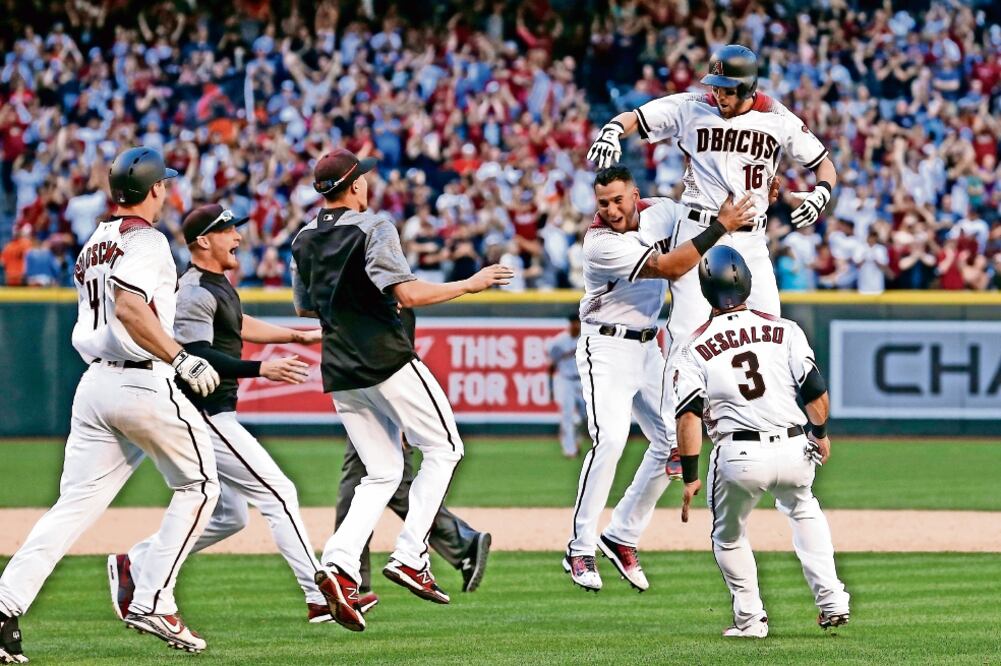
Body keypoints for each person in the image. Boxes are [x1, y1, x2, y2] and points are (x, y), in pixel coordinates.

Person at [0, 147, 223, 662]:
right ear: (153, 190)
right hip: (142, 381)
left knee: (72, 506)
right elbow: (129, 306)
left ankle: (4, 606)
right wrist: (180, 356)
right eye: (162, 183)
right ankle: (152, 599)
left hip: (94, 386)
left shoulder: (94, 241)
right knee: (201, 486)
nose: (167, 190)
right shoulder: (148, 241)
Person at [290, 149, 512, 632]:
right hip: (384, 357)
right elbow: (407, 294)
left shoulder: (303, 238)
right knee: (446, 448)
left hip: (340, 368)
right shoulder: (373, 226)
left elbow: (307, 308)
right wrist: (470, 284)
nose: (368, 183)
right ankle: (411, 555)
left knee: (383, 471)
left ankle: (339, 562)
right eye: (363, 177)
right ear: (354, 187)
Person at [106, 203, 337, 627]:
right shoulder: (193, 288)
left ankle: (135, 562)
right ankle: (317, 594)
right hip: (203, 414)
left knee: (232, 515)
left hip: (212, 412)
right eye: (229, 230)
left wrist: (295, 336)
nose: (238, 237)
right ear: (204, 241)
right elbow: (194, 354)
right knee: (279, 492)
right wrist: (261, 368)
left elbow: (237, 323)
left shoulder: (215, 284)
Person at [587, 43, 837, 379]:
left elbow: (823, 164)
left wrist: (821, 193)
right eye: (715, 86)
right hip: (699, 230)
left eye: (727, 88)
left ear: (747, 86)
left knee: (770, 334)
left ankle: (768, 423)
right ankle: (674, 431)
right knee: (686, 337)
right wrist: (612, 131)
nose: (719, 94)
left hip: (750, 238)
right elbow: (634, 118)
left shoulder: (776, 116)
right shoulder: (692, 106)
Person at [564, 165, 756, 594]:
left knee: (671, 441)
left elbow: (703, 216)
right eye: (603, 203)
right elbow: (670, 266)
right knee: (611, 440)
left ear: (634, 193)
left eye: (618, 199)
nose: (611, 209)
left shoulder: (662, 211)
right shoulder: (599, 243)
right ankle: (580, 547)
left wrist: (757, 198)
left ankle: (621, 535)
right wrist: (723, 225)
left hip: (650, 345)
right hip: (607, 346)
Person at [674, 246, 850, 638]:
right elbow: (816, 391)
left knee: (728, 536)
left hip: (738, 454)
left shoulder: (693, 347)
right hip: (793, 445)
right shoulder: (785, 329)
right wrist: (819, 433)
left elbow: (688, 415)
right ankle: (832, 598)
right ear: (748, 284)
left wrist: (689, 475)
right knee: (804, 510)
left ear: (705, 290)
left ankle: (751, 620)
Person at [547, 313, 586, 458]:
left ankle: (576, 435)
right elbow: (551, 366)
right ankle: (569, 450)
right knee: (566, 415)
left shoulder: (587, 339)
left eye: (578, 322)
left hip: (583, 380)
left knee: (587, 416)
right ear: (569, 324)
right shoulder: (558, 342)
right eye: (574, 322)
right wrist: (550, 387)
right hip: (565, 381)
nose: (576, 325)